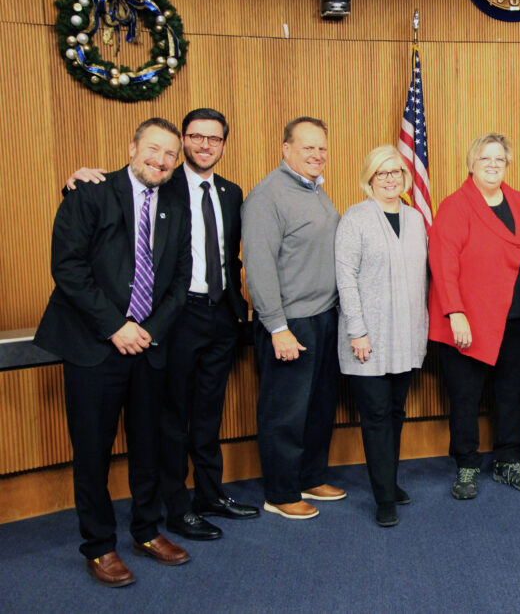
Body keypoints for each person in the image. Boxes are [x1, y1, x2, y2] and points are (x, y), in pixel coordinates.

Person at [66, 109, 260, 541]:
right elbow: (107, 211)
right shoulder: (161, 184)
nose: (204, 145)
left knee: (206, 416)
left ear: (224, 145)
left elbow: (225, 256)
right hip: (172, 319)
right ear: (181, 143)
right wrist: (74, 181)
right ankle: (175, 507)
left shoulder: (231, 192)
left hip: (216, 315)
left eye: (214, 138)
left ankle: (208, 495)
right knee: (170, 420)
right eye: (195, 137)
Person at [35, 118, 192, 587]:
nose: (161, 160)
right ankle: (99, 545)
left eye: (170, 154)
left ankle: (146, 530)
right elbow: (68, 268)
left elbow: (180, 280)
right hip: (93, 347)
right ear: (132, 148)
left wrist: (147, 331)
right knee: (93, 451)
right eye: (153, 149)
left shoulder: (175, 206)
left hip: (147, 348)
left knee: (148, 446)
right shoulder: (90, 193)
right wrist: (115, 327)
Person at [428, 132, 520, 500]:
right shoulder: (455, 206)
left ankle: (508, 459)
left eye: (499, 159)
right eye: (485, 158)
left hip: (519, 317)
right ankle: (466, 464)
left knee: (514, 393)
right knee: (465, 397)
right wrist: (455, 313)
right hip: (470, 321)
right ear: (471, 164)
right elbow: (443, 264)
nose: (493, 165)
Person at [242, 117, 344, 519]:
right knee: (284, 413)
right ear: (286, 150)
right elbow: (259, 267)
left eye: (322, 148)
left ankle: (309, 477)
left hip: (323, 317)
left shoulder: (314, 189)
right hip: (290, 323)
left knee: (318, 406)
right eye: (308, 147)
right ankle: (282, 493)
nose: (317, 155)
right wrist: (278, 328)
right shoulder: (267, 196)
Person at [335, 145, 428, 528]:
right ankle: (384, 497)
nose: (390, 179)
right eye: (382, 173)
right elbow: (346, 280)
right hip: (367, 340)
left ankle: (389, 480)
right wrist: (357, 331)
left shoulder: (416, 219)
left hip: (405, 335)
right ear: (369, 179)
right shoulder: (355, 218)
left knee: (395, 413)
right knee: (375, 416)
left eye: (396, 172)